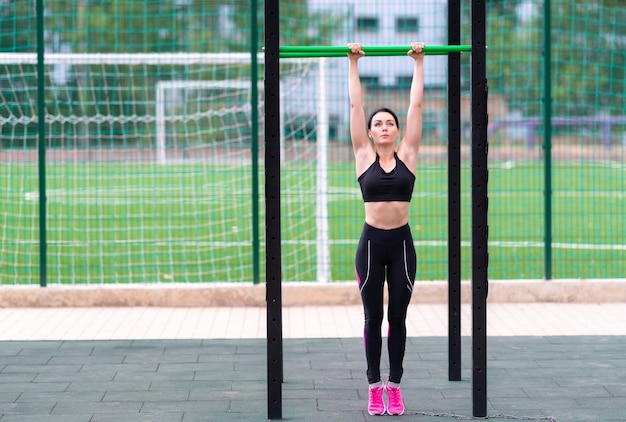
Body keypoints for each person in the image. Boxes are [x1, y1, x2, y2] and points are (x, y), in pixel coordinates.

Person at [348, 41, 424, 416]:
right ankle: (374, 387)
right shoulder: (363, 156)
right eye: (377, 123)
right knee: (372, 319)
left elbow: (416, 107)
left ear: (396, 132)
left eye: (389, 123)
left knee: (398, 318)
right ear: (370, 132)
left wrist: (419, 63)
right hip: (372, 246)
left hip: (402, 247)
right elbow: (355, 106)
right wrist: (353, 64)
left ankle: (394, 387)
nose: (383, 126)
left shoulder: (409, 154)